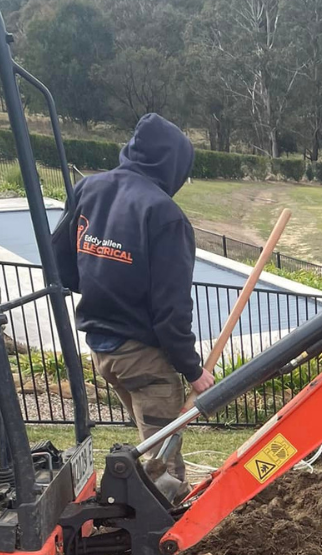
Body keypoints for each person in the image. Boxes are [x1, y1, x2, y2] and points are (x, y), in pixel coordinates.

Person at [53, 113, 214, 484]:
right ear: (172, 164)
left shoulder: (88, 189)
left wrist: (104, 286)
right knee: (163, 467)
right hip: (144, 362)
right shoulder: (164, 215)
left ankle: (144, 513)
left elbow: (60, 263)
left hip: (104, 350)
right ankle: (166, 538)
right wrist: (193, 370)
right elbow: (171, 309)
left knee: (150, 447)